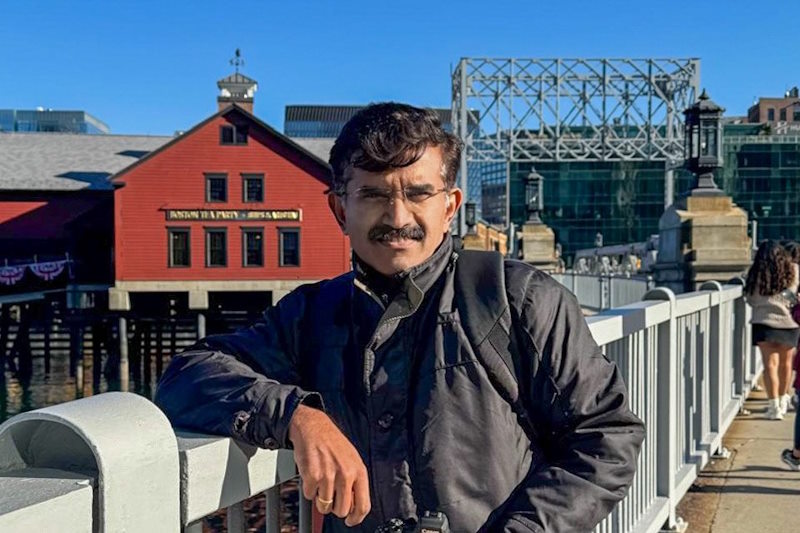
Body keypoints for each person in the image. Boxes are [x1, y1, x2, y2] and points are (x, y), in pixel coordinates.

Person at [155, 103, 645, 532]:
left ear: (449, 206)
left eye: (418, 193)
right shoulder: (311, 315)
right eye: (372, 195)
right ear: (339, 209)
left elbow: (606, 437)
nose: (397, 216)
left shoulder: (518, 298)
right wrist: (297, 417)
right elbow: (186, 374)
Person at [744, 240, 800, 421]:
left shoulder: (755, 274)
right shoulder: (793, 270)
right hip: (789, 323)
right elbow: (794, 297)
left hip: (764, 323)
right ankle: (784, 400)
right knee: (787, 365)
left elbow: (751, 300)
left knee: (770, 366)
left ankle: (773, 406)